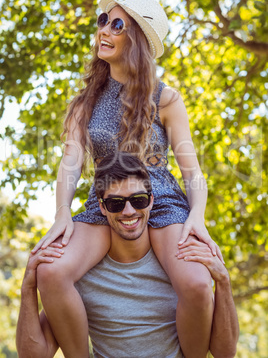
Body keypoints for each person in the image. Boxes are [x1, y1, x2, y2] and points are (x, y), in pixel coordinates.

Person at [32, 0, 224, 358]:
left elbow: (191, 170)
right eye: (103, 20)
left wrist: (196, 216)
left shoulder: (165, 99)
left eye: (116, 24)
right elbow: (71, 162)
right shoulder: (85, 101)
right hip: (105, 203)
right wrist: (61, 214)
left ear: (136, 37)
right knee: (51, 274)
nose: (104, 29)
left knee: (198, 285)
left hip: (163, 202)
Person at [17, 153, 239, 358]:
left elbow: (224, 353)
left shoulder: (180, 268)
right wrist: (28, 289)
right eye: (116, 203)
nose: (129, 211)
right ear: (102, 207)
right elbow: (35, 355)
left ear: (151, 200)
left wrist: (223, 281)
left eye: (139, 199)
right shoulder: (80, 275)